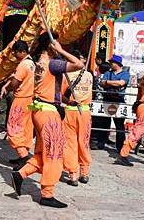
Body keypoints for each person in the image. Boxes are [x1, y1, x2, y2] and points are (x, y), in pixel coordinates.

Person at [10, 34, 84, 209]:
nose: (60, 44)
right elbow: (79, 64)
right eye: (57, 42)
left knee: (44, 151)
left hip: (41, 110)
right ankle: (47, 193)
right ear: (51, 45)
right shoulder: (52, 63)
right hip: (48, 112)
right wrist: (61, 50)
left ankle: (21, 174)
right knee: (55, 153)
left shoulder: (39, 63)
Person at [0, 40, 34, 168]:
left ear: (22, 52)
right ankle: (22, 155)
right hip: (30, 100)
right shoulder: (32, 64)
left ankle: (24, 156)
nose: (14, 55)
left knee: (13, 128)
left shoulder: (23, 65)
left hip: (21, 99)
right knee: (25, 128)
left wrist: (7, 88)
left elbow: (16, 82)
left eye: (16, 52)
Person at [61, 51, 93, 186]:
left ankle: (73, 174)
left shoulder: (66, 75)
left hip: (70, 112)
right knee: (84, 142)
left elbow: (62, 96)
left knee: (70, 143)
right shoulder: (89, 75)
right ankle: (84, 172)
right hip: (85, 112)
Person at [94, 55, 130, 152]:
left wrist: (108, 82)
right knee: (104, 123)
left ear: (118, 64)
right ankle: (101, 143)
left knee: (119, 125)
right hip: (107, 99)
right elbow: (101, 83)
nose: (110, 64)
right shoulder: (107, 73)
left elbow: (121, 83)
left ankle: (120, 146)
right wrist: (114, 83)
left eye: (112, 63)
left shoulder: (125, 74)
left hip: (119, 101)